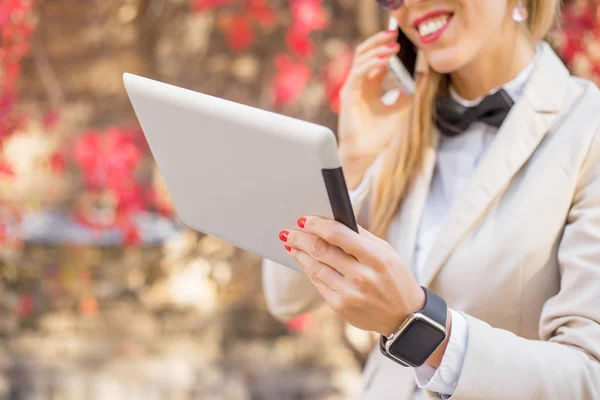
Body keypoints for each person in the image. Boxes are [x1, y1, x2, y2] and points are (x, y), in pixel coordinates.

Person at [262, 0, 600, 398]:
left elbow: (588, 378)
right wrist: (350, 162)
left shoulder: (587, 130)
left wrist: (420, 327)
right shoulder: (393, 120)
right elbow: (286, 297)